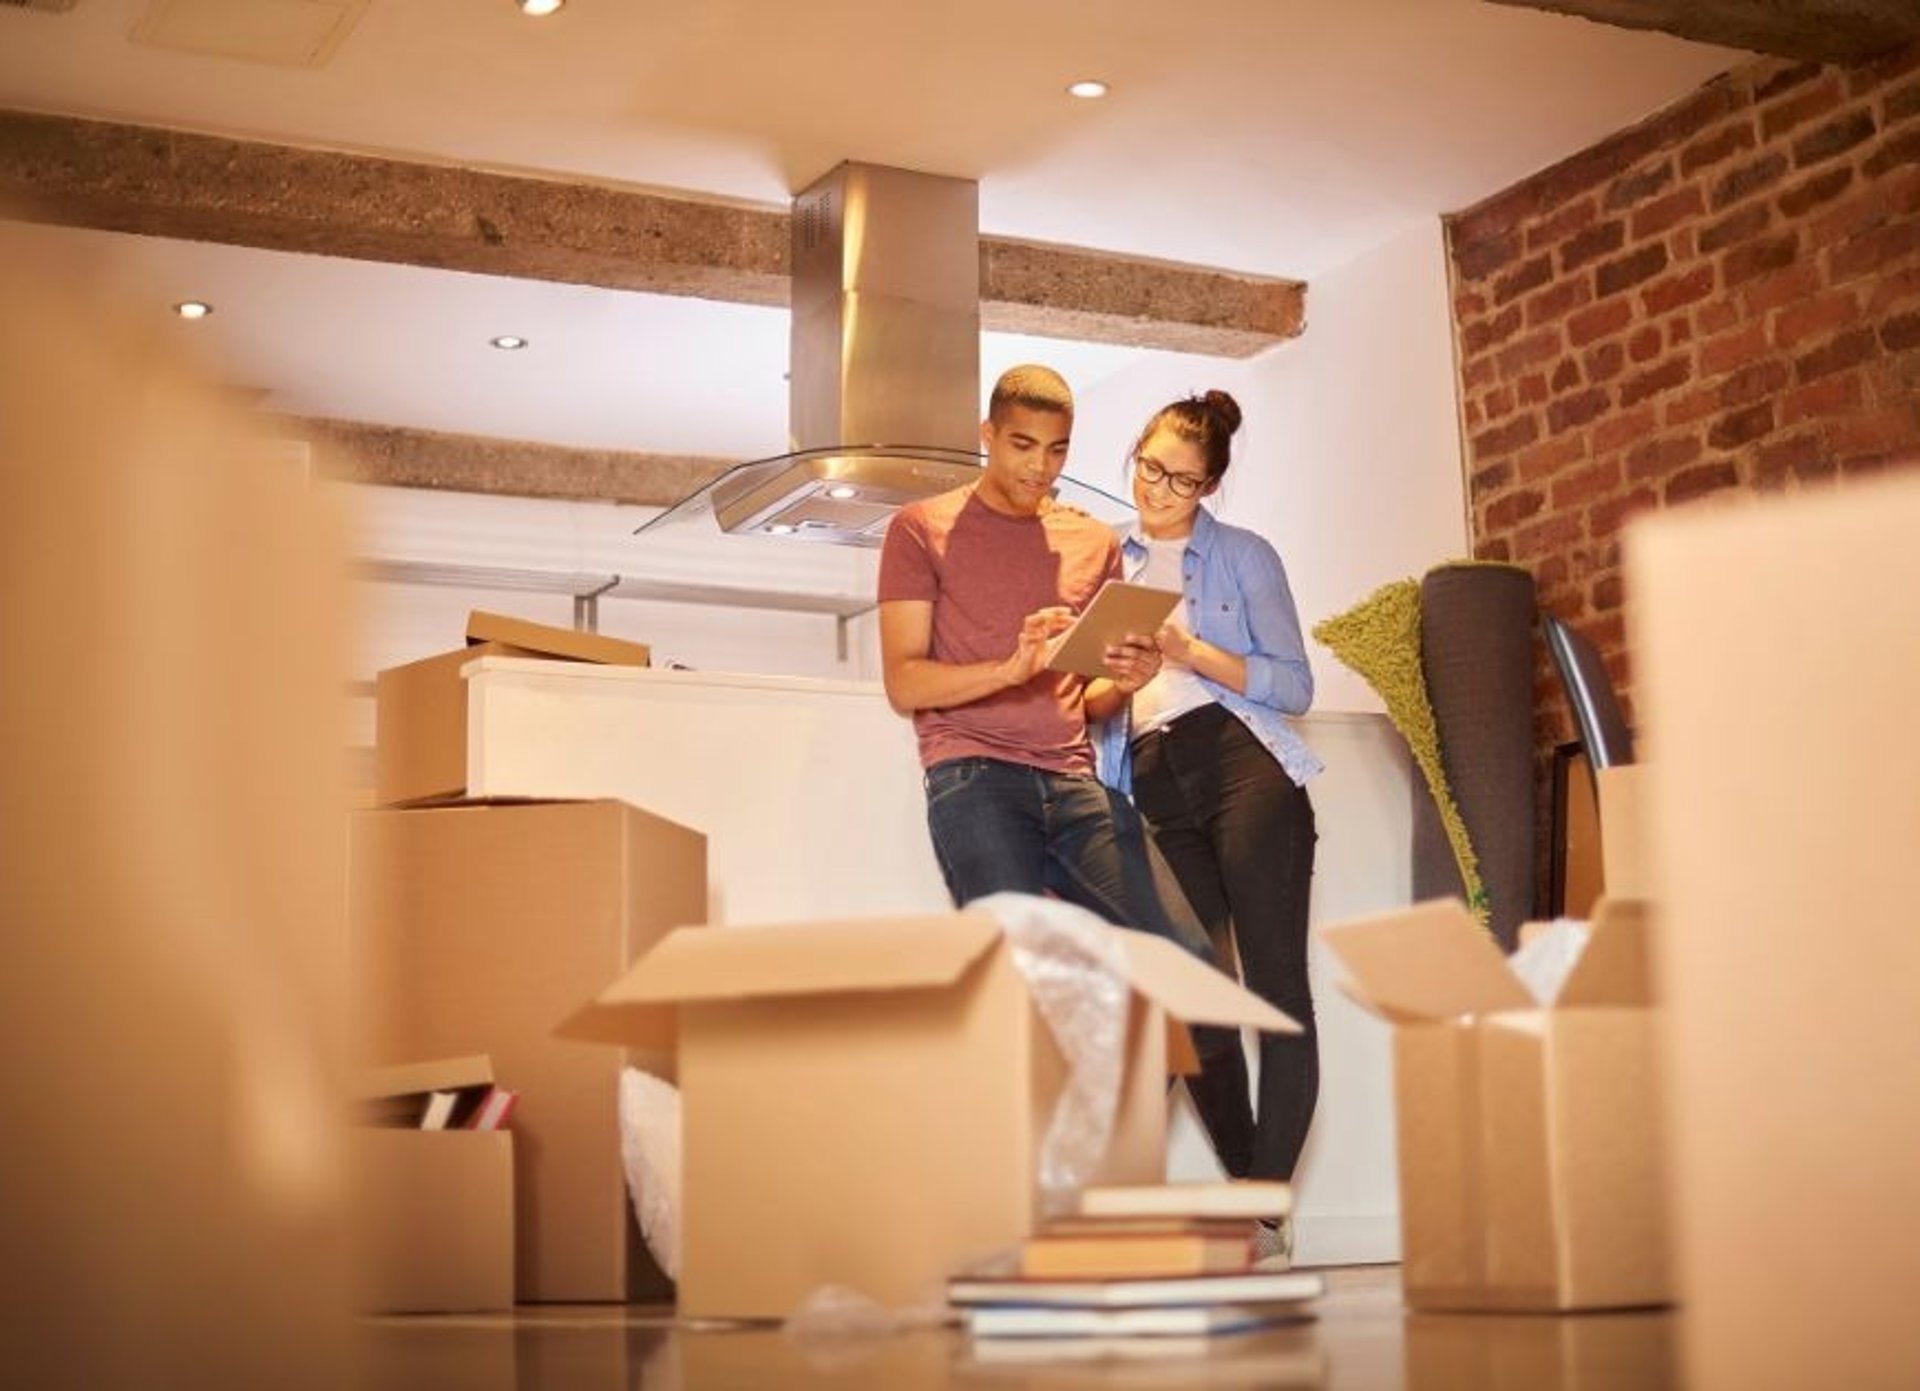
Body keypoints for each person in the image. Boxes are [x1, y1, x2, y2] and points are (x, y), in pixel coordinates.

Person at [1092, 389, 1322, 1267]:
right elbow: (1082, 697)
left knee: (1273, 991)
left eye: (1183, 481)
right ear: (1134, 457)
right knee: (1194, 990)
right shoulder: (1101, 559)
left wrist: (1188, 652)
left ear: (1211, 485)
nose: (1160, 490)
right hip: (1148, 775)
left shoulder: (1245, 558)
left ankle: (1258, 1216)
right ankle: (1251, 1199)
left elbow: (1295, 686)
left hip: (1243, 767)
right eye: (1150, 469)